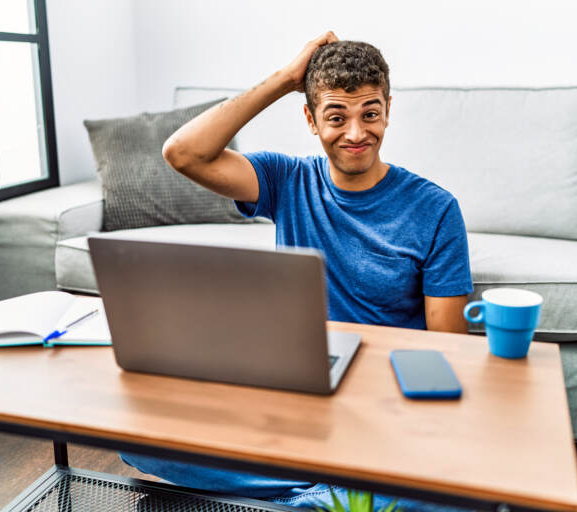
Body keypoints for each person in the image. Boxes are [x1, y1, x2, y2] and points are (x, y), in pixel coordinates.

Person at [121, 32, 473, 511]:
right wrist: (286, 79)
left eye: (370, 113)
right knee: (137, 439)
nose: (355, 133)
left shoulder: (436, 209)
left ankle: (309, 491)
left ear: (388, 109)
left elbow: (446, 351)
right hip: (297, 393)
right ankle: (327, 493)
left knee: (464, 496)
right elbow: (183, 153)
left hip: (382, 402)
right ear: (310, 118)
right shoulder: (286, 179)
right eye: (336, 117)